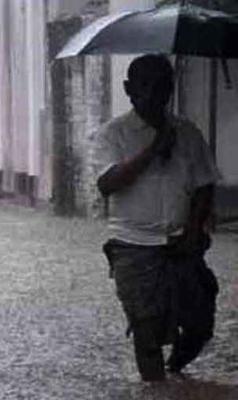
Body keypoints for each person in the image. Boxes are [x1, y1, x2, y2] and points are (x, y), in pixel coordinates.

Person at [94, 55, 220, 382]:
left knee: (200, 323)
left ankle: (175, 373)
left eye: (161, 85)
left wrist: (193, 230)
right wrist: (152, 151)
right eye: (144, 85)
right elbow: (107, 184)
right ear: (129, 89)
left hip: (182, 243)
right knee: (146, 327)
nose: (153, 93)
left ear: (170, 88)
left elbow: (205, 184)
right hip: (133, 245)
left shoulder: (188, 133)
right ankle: (155, 387)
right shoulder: (113, 134)